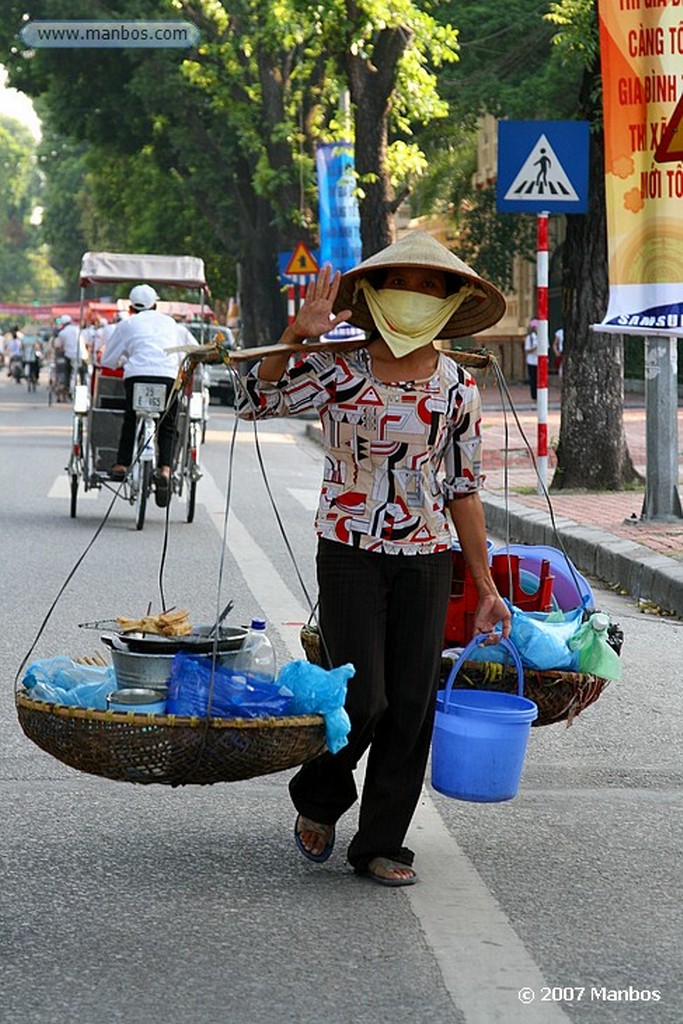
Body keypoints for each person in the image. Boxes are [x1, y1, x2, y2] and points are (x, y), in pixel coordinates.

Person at [235, 230, 511, 886]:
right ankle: (320, 798)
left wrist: (483, 584)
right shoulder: (336, 371)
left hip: (426, 555)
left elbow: (464, 489)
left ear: (448, 303)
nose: (413, 297)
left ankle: (382, 843)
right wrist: (295, 336)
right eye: (401, 285)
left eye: (429, 287)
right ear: (373, 296)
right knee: (361, 698)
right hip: (349, 550)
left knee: (411, 705)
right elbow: (253, 402)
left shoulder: (455, 388)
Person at [99, 283, 197, 506]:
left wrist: (125, 359)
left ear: (131, 307)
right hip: (168, 377)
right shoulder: (172, 324)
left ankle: (122, 464)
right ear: (155, 305)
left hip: (137, 376)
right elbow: (194, 349)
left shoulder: (127, 325)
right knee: (168, 425)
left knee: (131, 418)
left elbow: (107, 361)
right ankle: (165, 469)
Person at [54, 315, 88, 388]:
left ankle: (67, 386)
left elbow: (58, 345)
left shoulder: (62, 333)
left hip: (69, 356)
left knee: (67, 372)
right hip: (82, 355)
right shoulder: (78, 330)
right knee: (83, 373)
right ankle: (84, 386)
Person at [524, 318, 538, 400]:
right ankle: (534, 396)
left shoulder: (542, 337)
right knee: (533, 379)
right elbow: (527, 349)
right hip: (532, 361)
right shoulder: (530, 338)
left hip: (540, 361)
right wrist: (534, 348)